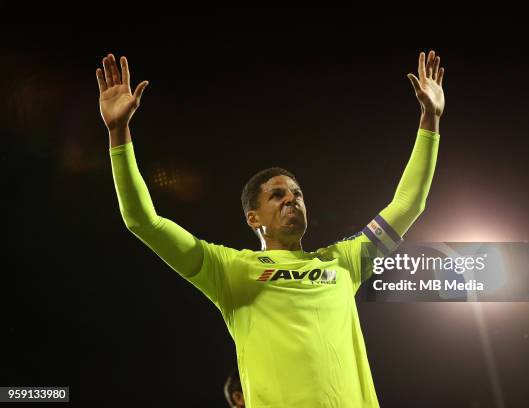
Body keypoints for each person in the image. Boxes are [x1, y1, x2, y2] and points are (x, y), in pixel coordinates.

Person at [98, 50, 444, 407]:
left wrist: (430, 118)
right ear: (253, 218)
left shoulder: (344, 261)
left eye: (297, 193)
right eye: (277, 195)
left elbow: (408, 205)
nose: (291, 199)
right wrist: (118, 132)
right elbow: (143, 221)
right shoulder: (228, 269)